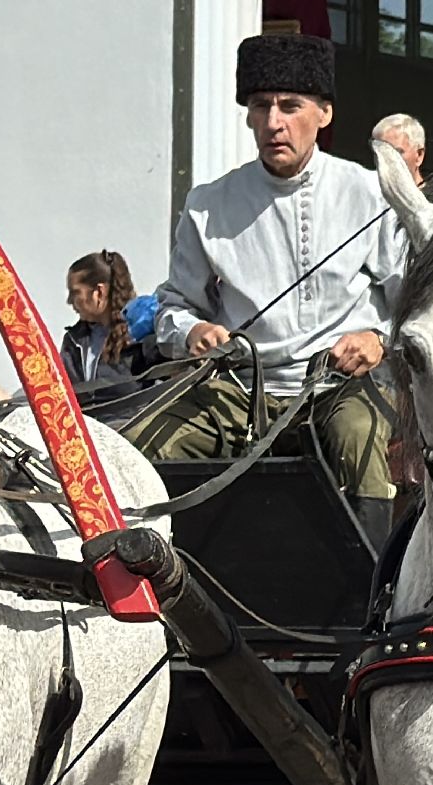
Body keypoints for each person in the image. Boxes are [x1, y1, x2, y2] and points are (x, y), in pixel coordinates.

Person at [124, 33, 406, 543]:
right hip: (235, 389)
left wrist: (378, 339)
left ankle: (373, 601)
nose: (275, 122)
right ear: (249, 116)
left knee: (358, 439)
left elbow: (412, 302)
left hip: (335, 387)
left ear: (323, 113)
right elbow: (172, 308)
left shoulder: (371, 193)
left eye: (290, 106)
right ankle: (158, 596)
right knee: (142, 443)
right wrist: (191, 333)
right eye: (261, 107)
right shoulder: (209, 203)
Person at [60, 250, 152, 386]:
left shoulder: (143, 334)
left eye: (75, 292)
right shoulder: (73, 342)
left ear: (99, 292)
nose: (69, 301)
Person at [371, 113, 427, 188]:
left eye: (397, 153)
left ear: (419, 155)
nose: (387, 160)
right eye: (381, 154)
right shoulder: (369, 196)